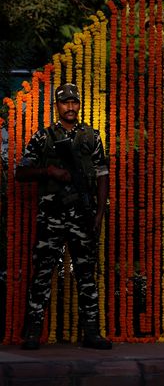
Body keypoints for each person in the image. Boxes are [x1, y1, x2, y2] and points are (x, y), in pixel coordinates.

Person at [15, 83, 112, 350]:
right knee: (43, 271)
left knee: (85, 273)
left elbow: (103, 176)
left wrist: (99, 214)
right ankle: (33, 333)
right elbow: (20, 173)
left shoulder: (92, 136)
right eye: (64, 102)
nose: (70, 107)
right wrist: (49, 171)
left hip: (83, 215)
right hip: (52, 216)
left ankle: (91, 332)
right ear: (56, 106)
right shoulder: (43, 137)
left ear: (79, 105)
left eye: (74, 102)